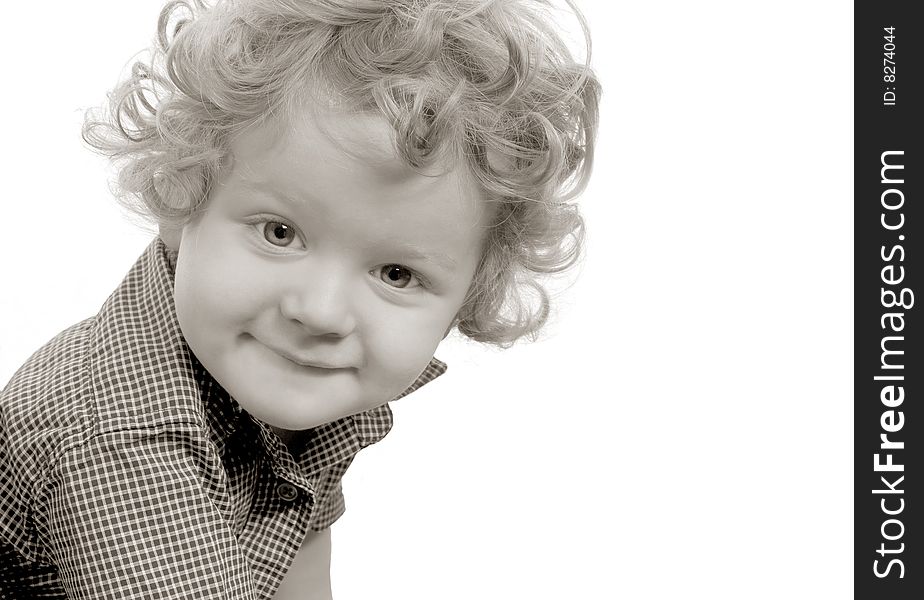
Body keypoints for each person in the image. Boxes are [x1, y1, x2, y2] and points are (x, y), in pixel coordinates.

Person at [0, 0, 600, 596]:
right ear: (182, 196)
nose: (320, 311)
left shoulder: (283, 376)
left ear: (468, 300)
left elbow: (300, 553)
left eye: (395, 273)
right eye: (279, 233)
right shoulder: (118, 442)